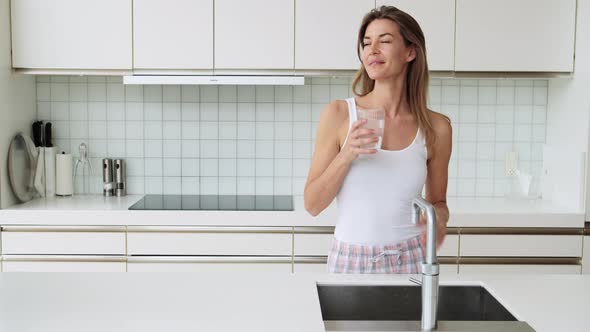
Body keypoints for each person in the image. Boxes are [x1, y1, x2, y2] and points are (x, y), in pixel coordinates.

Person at [303, 6, 452, 274]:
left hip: (411, 260)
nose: (372, 50)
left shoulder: (437, 127)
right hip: (350, 259)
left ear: (410, 52)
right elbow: (312, 204)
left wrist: (438, 220)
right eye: (366, 43)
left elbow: (438, 202)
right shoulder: (338, 114)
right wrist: (346, 154)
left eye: (384, 41)